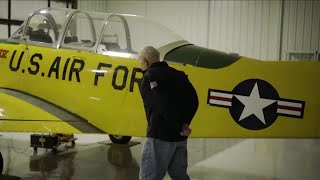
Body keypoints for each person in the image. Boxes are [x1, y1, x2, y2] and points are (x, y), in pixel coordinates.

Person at [138, 46, 199, 180]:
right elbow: (194, 101)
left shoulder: (149, 76)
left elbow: (161, 106)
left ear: (144, 61)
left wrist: (178, 125)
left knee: (149, 177)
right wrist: (184, 124)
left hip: (159, 137)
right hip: (180, 138)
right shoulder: (179, 75)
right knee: (180, 177)